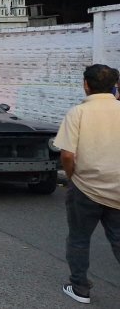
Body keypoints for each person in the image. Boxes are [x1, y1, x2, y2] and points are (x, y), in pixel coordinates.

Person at [53, 64, 120, 304]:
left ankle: (80, 288)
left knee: (79, 239)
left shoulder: (78, 113)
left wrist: (72, 177)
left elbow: (67, 155)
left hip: (86, 187)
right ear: (115, 85)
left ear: (86, 85)